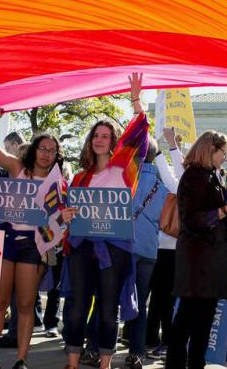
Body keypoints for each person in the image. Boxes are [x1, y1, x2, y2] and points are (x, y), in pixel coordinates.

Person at [65, 73, 148, 369]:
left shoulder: (125, 170)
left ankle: (105, 364)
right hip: (83, 246)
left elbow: (140, 135)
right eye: (95, 136)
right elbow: (69, 211)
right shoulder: (79, 177)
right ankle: (72, 363)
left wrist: (136, 101)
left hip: (115, 248)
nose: (99, 140)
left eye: (105, 135)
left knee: (107, 310)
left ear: (113, 141)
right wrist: (66, 214)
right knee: (76, 308)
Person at [0, 109, 70, 369]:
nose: (46, 153)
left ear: (57, 156)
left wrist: (64, 216)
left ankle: (21, 360)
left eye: (52, 151)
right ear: (35, 149)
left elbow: (58, 222)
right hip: (7, 239)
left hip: (35, 246)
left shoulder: (59, 183)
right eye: (43, 148)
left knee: (25, 304)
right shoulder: (17, 167)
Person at [166, 130, 227, 369]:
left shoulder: (211, 175)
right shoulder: (195, 176)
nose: (225, 158)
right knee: (187, 322)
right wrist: (225, 210)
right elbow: (192, 220)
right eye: (224, 152)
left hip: (209, 261)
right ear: (211, 149)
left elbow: (219, 219)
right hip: (198, 261)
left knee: (202, 324)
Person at [122, 138, 168, 369]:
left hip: (124, 245)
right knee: (140, 302)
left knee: (110, 299)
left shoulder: (127, 177)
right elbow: (163, 217)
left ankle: (100, 349)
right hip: (150, 248)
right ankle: (136, 353)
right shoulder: (162, 184)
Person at [145, 128, 184, 361]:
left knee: (164, 299)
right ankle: (153, 339)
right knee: (161, 299)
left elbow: (171, 172)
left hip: (171, 249)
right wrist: (170, 145)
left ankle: (165, 341)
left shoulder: (180, 185)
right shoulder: (176, 184)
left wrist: (169, 145)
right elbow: (170, 172)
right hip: (163, 247)